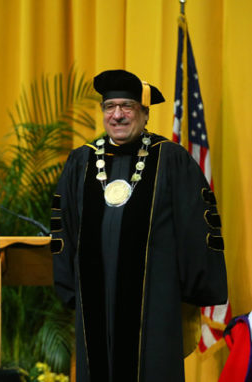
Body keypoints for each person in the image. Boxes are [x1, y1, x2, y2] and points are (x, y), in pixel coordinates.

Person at [51, 69, 227, 381]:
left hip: (154, 301)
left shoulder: (170, 159)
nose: (117, 115)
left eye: (127, 107)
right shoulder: (82, 161)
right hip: (96, 298)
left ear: (144, 114)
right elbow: (63, 227)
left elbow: (196, 227)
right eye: (110, 107)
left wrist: (190, 288)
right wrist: (69, 286)